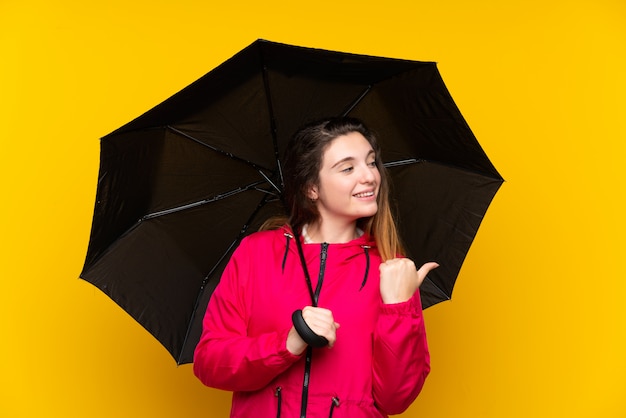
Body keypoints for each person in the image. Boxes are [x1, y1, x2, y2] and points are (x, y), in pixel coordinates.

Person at [193, 117, 438, 417]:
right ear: (312, 188)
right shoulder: (255, 253)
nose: (370, 177)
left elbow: (395, 399)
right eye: (348, 168)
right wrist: (288, 343)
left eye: (371, 163)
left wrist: (399, 307)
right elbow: (210, 363)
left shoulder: (391, 267)